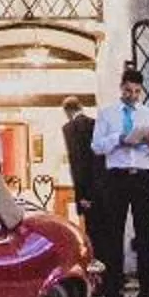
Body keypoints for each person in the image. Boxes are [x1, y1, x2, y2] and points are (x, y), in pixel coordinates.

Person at [89, 67, 149, 297]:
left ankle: (148, 296)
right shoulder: (107, 113)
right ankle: (114, 296)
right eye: (128, 91)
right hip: (116, 179)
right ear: (121, 88)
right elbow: (96, 146)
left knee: (144, 238)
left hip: (143, 178)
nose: (132, 95)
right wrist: (119, 139)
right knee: (114, 236)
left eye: (136, 92)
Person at [60, 96, 102, 235]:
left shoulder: (69, 128)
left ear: (67, 112)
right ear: (80, 107)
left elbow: (77, 162)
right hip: (102, 188)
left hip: (86, 189)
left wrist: (83, 195)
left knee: (90, 231)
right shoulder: (96, 124)